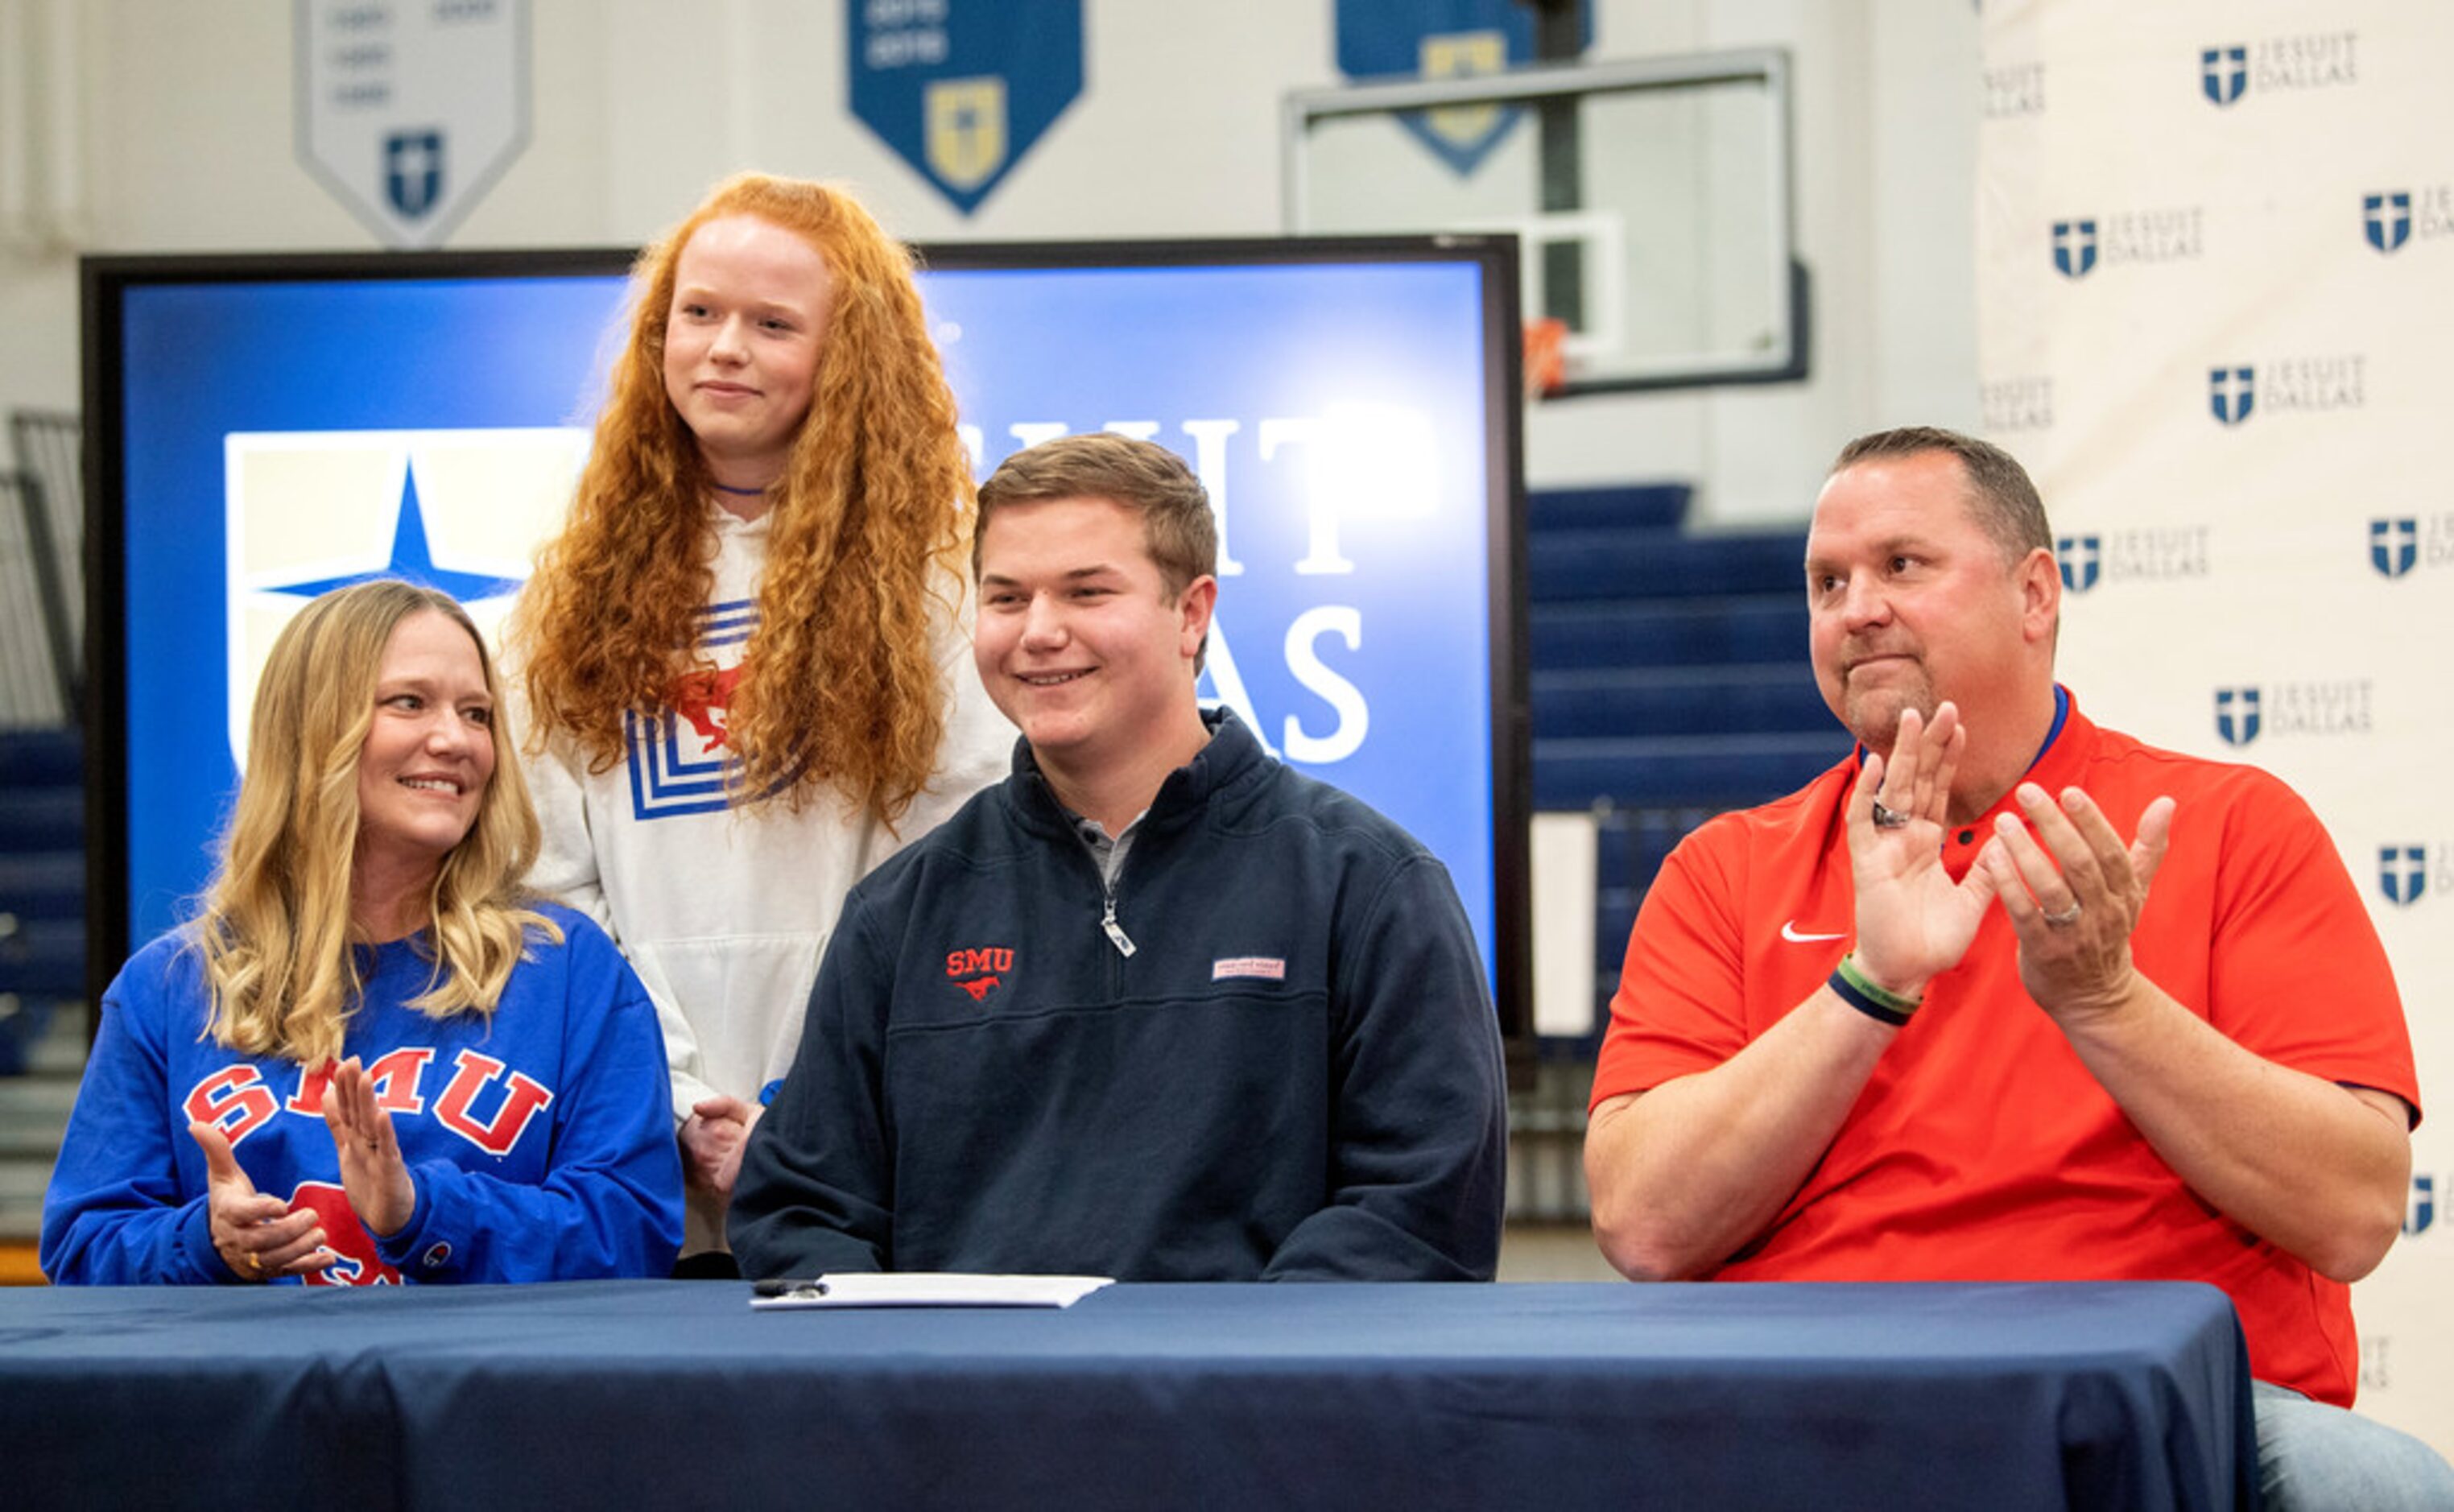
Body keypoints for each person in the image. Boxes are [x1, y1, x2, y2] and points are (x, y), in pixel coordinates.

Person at [1583, 427, 2452, 1507]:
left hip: (2161, 1408)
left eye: (1902, 565)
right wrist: (1870, 984)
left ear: (2036, 592)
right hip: (1820, 1399)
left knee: (2380, 1485)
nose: (1855, 607)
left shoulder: (2232, 826)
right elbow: (1643, 1224)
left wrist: (2109, 1003)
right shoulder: (1727, 867)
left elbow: (2355, 1209)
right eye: (1826, 581)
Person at [729, 433, 1508, 1280]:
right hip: (966, 1409)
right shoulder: (899, 913)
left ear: (1193, 613)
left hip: (1251, 1410)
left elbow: (1419, 1210)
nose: (1039, 632)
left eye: (1087, 592)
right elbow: (802, 1211)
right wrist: (922, 1382)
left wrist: (1214, 1389)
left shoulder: (1368, 886)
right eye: (1006, 598)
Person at [510, 173, 1012, 1268]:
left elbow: (946, 874)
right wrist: (677, 1097)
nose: (725, 347)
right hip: (630, 1155)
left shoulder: (941, 592)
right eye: (700, 313)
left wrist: (803, 1105)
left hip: (870, 1156)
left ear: (848, 354)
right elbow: (550, 892)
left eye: (773, 323)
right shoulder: (568, 604)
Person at [42, 581, 682, 1284]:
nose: (456, 740)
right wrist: (207, 1244)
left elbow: (631, 1231)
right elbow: (82, 1250)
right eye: (409, 702)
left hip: (483, 1390)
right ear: (314, 731)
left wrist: (424, 1213)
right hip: (256, 1392)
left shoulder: (567, 971)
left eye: (477, 714)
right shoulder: (168, 988)